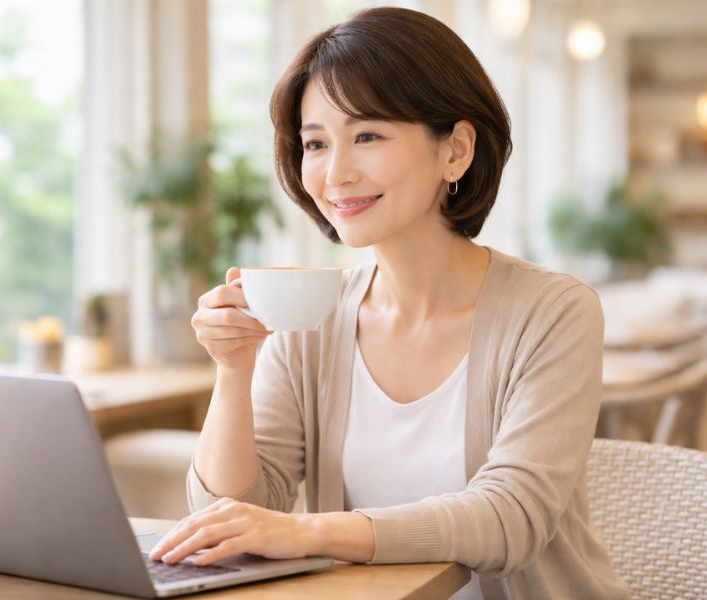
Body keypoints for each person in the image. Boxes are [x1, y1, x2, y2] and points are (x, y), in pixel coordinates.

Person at [148, 7, 628, 599]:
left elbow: (512, 518)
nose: (335, 173)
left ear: (455, 151)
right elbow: (233, 514)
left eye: (368, 135)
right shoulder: (311, 316)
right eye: (316, 143)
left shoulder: (553, 312)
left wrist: (309, 532)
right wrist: (233, 369)